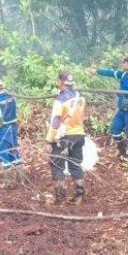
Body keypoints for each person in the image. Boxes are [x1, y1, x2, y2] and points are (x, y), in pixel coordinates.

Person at [45, 71, 87, 205]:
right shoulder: (80, 98)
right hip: (79, 135)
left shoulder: (60, 101)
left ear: (60, 82)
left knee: (57, 166)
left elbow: (55, 122)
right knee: (75, 165)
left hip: (64, 137)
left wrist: (49, 140)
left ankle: (60, 199)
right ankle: (79, 196)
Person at [96, 55, 128, 163]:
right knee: (115, 129)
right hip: (122, 109)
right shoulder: (123, 74)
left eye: (124, 63)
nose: (122, 65)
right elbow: (111, 73)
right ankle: (122, 150)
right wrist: (98, 70)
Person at [0, 78, 24, 187]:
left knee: (3, 153)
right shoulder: (12, 97)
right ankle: (21, 180)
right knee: (14, 151)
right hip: (13, 128)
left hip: (2, 130)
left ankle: (9, 183)